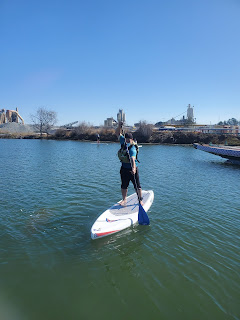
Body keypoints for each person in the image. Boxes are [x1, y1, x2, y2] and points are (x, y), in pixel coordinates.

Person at [115, 122, 143, 206]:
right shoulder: (123, 141)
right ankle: (124, 200)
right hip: (123, 168)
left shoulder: (132, 148)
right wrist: (119, 126)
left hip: (132, 169)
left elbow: (132, 159)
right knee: (124, 185)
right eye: (126, 139)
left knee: (137, 186)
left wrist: (134, 169)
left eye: (128, 139)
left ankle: (140, 200)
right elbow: (117, 133)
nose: (127, 140)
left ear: (132, 140)